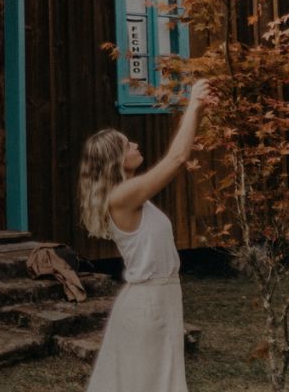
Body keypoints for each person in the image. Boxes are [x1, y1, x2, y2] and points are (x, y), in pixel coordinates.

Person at [78, 79, 209, 392]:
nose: (136, 145)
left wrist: (200, 111)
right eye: (127, 145)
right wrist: (192, 104)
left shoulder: (131, 194)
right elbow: (177, 159)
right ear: (116, 160)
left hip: (160, 299)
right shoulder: (122, 195)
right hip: (147, 304)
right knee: (148, 383)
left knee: (155, 381)